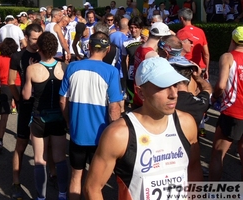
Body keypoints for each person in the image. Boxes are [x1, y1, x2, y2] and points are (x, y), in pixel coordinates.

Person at [84, 57, 202, 200]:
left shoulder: (186, 123)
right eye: (162, 87)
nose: (173, 94)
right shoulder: (119, 134)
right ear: (141, 93)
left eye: (175, 84)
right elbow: (92, 188)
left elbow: (194, 168)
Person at [59, 31, 123, 200]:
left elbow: (62, 100)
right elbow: (114, 108)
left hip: (77, 132)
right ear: (107, 49)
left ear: (88, 46)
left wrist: (69, 121)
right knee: (94, 184)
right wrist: (115, 132)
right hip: (101, 136)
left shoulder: (72, 67)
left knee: (76, 176)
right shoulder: (111, 71)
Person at [22, 32, 68, 200]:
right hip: (58, 116)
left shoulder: (32, 69)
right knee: (60, 158)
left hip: (39, 117)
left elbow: (26, 96)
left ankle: (41, 197)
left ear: (39, 48)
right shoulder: (64, 67)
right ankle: (63, 194)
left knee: (40, 160)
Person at [8, 24, 43, 199]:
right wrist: (18, 100)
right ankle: (16, 181)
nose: (37, 42)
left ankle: (51, 175)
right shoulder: (18, 56)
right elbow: (11, 81)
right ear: (26, 38)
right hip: (26, 106)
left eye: (40, 38)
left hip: (43, 106)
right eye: (34, 39)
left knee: (47, 145)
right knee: (21, 145)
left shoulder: (45, 53)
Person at [209, 27, 243, 180]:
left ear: (233, 40)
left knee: (218, 153)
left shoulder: (228, 57)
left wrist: (215, 97)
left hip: (232, 111)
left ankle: (212, 193)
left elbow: (221, 85)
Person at [0, 38, 20, 153]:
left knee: (4, 116)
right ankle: (21, 134)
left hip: (5, 87)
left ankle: (0, 140)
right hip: (18, 85)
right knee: (21, 113)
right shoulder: (17, 58)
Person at [177, 8, 210, 79]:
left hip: (186, 67)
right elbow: (206, 53)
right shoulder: (200, 31)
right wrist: (207, 69)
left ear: (181, 18)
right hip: (200, 67)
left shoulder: (180, 33)